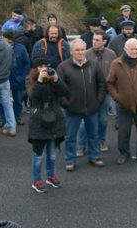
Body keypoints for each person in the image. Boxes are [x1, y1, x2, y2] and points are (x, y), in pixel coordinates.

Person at [57, 39, 105, 170]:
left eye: (82, 49)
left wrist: (99, 100)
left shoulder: (94, 65)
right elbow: (57, 88)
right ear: (71, 51)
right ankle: (70, 160)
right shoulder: (63, 67)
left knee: (93, 135)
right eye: (77, 50)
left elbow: (101, 84)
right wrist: (66, 104)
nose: (80, 52)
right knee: (70, 137)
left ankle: (94, 157)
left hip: (92, 108)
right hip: (72, 110)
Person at [106, 38, 137, 164]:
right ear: (125, 49)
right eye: (132, 49)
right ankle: (124, 153)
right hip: (124, 106)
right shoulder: (116, 63)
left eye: (136, 49)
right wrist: (117, 97)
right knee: (123, 132)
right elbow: (110, 83)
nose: (134, 51)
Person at [27, 56, 69, 193]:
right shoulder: (31, 81)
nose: (43, 69)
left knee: (52, 154)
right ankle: (36, 179)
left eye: (45, 66)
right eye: (40, 66)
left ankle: (51, 176)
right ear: (35, 69)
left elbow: (65, 92)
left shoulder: (52, 80)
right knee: (38, 156)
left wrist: (56, 80)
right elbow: (33, 99)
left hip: (54, 122)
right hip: (39, 123)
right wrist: (40, 81)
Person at [85, 30, 117, 153]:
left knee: (102, 119)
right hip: (89, 92)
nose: (94, 42)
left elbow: (114, 73)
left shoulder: (111, 54)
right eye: (93, 39)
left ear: (104, 41)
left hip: (105, 92)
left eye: (97, 40)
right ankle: (83, 145)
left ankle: (101, 141)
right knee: (86, 120)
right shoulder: (86, 53)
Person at [1, 29, 31, 127]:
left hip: (17, 80)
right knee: (3, 100)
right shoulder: (0, 48)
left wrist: (22, 77)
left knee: (18, 100)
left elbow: (27, 63)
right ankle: (3, 118)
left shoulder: (21, 48)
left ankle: (17, 116)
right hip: (3, 80)